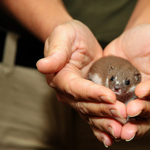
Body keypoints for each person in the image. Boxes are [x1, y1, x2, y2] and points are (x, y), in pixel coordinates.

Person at [0, 0, 150, 149]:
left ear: (137, 79)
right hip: (23, 64)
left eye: (127, 83)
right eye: (113, 80)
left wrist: (145, 24)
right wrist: (57, 26)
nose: (117, 86)